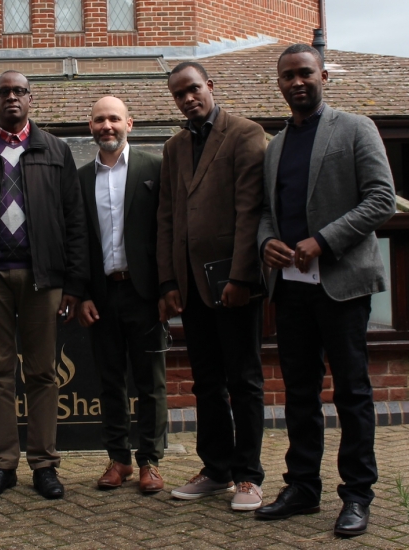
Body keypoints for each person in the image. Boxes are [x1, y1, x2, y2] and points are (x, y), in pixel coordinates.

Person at [254, 43, 396, 538]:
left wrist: (324, 240)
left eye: (305, 73)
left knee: (352, 393)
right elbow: (267, 212)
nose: (297, 82)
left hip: (342, 285)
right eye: (288, 76)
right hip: (291, 289)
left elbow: (381, 199)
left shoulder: (355, 128)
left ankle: (357, 494)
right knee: (299, 393)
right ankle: (302, 487)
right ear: (279, 83)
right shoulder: (275, 146)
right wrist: (266, 242)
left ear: (323, 77)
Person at [0, 70, 88, 500]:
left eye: (19, 91)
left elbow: (74, 219)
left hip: (42, 277)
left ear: (31, 99)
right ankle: (3, 465)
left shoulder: (55, 150)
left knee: (43, 372)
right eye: (3, 92)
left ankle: (44, 464)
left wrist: (74, 283)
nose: (11, 97)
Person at [156, 61, 269, 510]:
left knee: (244, 380)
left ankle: (249, 476)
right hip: (191, 286)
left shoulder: (244, 134)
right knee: (206, 382)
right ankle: (216, 469)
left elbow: (250, 210)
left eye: (193, 89)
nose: (188, 99)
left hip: (232, 282)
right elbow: (167, 216)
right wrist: (168, 280)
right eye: (179, 94)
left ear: (210, 86)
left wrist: (242, 277)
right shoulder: (174, 147)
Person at [76, 96, 168, 494]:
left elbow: (166, 232)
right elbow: (77, 241)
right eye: (99, 119)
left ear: (129, 123)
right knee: (109, 381)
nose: (107, 126)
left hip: (144, 293)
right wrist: (81, 293)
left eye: (114, 118)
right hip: (101, 295)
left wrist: (167, 289)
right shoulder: (80, 178)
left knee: (150, 382)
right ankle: (119, 460)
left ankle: (150, 461)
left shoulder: (154, 168)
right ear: (91, 126)